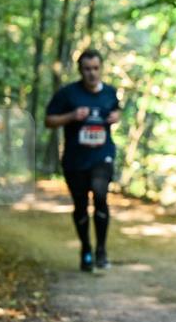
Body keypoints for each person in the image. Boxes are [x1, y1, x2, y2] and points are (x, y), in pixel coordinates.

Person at [45, 49, 121, 272]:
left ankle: (101, 251)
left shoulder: (110, 93)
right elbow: (48, 120)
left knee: (100, 196)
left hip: (102, 156)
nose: (92, 73)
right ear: (80, 70)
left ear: (101, 68)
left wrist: (117, 116)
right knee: (80, 206)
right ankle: (86, 248)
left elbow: (116, 112)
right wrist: (71, 116)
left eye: (96, 68)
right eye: (87, 69)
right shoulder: (68, 94)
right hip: (75, 160)